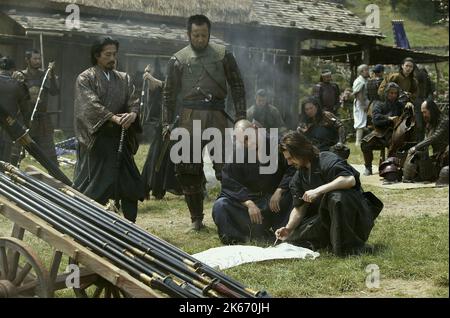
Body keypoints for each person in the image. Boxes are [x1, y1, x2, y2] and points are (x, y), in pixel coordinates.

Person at [163, 14, 247, 231]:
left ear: (210, 33)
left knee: (226, 168)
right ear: (188, 34)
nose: (200, 39)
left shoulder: (223, 55)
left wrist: (241, 117)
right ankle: (196, 220)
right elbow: (168, 94)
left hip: (217, 116)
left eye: (204, 35)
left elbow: (237, 86)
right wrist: (166, 124)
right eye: (196, 35)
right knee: (187, 168)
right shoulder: (178, 59)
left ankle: (232, 214)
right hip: (188, 118)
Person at [275, 130, 383, 257]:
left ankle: (351, 247)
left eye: (290, 158)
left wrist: (318, 190)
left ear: (300, 151)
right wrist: (288, 228)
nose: (289, 162)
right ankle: (332, 241)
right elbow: (299, 208)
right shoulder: (298, 177)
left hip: (354, 215)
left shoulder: (326, 159)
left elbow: (349, 179)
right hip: (327, 218)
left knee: (336, 197)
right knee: (293, 239)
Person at [73, 37, 145, 223]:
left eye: (114, 54)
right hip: (97, 140)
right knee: (96, 187)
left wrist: (133, 115)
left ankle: (131, 224)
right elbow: (90, 105)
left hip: (120, 138)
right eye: (108, 54)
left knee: (130, 184)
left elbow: (133, 102)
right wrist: (113, 117)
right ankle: (91, 224)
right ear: (97, 56)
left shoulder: (124, 78)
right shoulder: (85, 78)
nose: (113, 58)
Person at [212, 120, 294, 244]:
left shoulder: (276, 143)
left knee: (292, 195)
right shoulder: (237, 152)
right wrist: (248, 203)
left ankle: (283, 233)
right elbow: (229, 181)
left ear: (255, 128)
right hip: (250, 203)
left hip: (274, 201)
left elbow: (293, 167)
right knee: (221, 205)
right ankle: (239, 239)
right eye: (242, 141)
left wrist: (280, 190)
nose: (246, 143)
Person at [19, 49, 59, 165]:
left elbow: (54, 92)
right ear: (27, 60)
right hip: (24, 119)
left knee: (50, 156)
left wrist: (51, 77)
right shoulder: (21, 75)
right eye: (35, 59)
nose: (38, 61)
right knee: (16, 154)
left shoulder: (45, 75)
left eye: (39, 59)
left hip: (42, 120)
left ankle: (58, 181)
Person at [360, 82, 405, 176]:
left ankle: (392, 168)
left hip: (394, 133)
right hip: (379, 133)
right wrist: (388, 118)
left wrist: (408, 106)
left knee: (395, 146)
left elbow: (406, 118)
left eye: (395, 93)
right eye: (391, 93)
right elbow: (376, 120)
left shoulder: (400, 105)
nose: (393, 95)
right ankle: (368, 167)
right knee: (365, 143)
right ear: (386, 93)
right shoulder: (379, 104)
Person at [405, 98, 448, 182]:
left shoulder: (445, 121)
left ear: (431, 110)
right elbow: (426, 141)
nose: (423, 115)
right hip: (437, 156)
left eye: (425, 112)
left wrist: (416, 147)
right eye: (422, 112)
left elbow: (434, 138)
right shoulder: (430, 124)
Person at [0, 56, 31, 163]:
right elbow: (25, 110)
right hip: (8, 129)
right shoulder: (18, 85)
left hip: (7, 129)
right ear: (13, 70)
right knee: (5, 163)